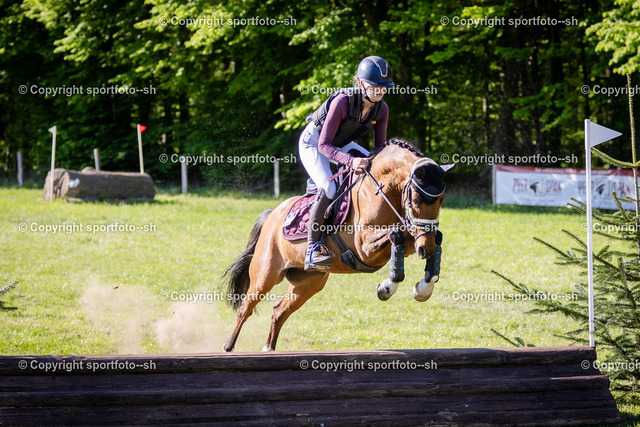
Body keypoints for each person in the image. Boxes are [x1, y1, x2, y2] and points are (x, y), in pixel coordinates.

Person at [299, 55, 393, 270]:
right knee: (329, 188)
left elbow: (379, 149)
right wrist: (351, 162)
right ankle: (312, 249)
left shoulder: (382, 109)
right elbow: (324, 145)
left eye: (384, 87)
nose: (380, 91)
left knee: (374, 167)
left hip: (340, 144)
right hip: (314, 143)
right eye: (374, 86)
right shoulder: (342, 102)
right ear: (361, 83)